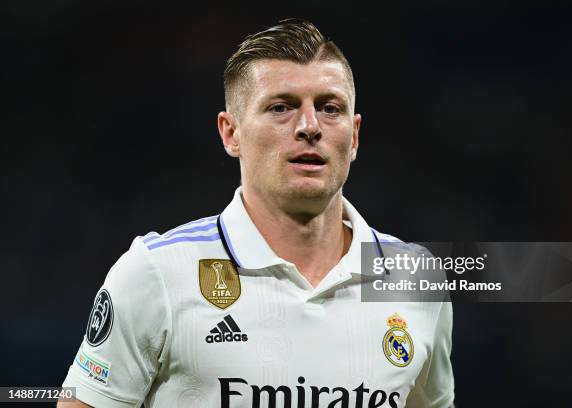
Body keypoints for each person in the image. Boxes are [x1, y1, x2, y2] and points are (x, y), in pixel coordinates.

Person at [59, 19, 454, 408]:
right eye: (281, 107)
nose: (309, 126)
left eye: (329, 108)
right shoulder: (157, 274)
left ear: (354, 136)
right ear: (231, 133)